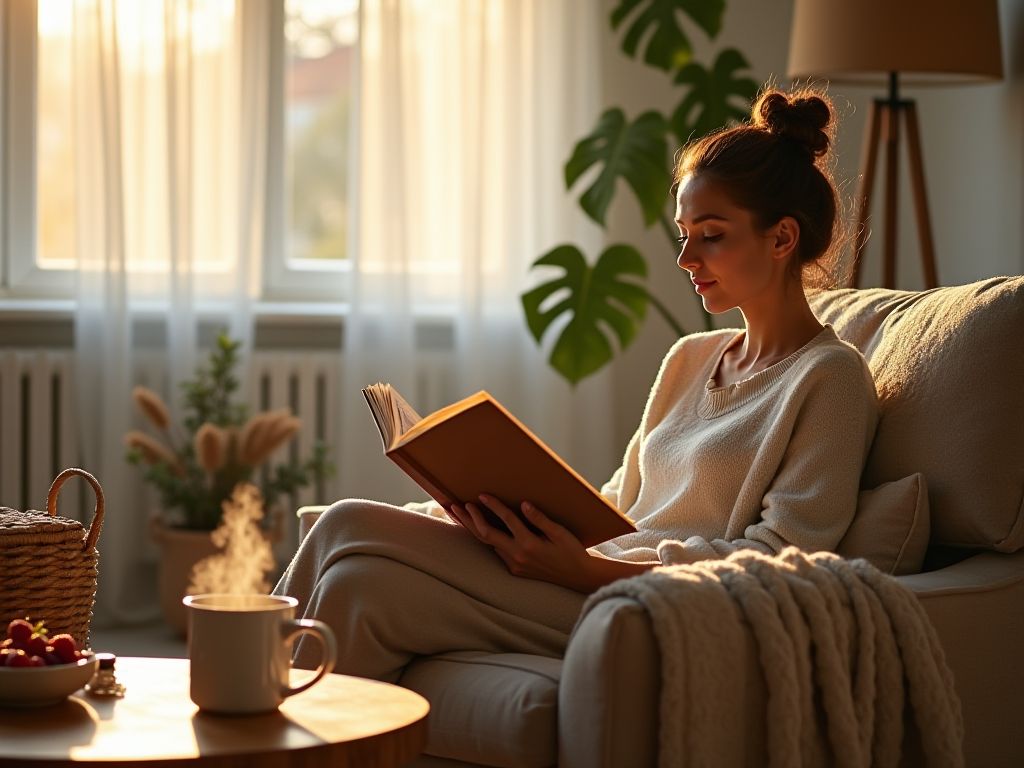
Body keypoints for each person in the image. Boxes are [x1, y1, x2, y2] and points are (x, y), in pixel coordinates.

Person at [273, 87, 879, 680]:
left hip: (635, 602)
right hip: (578, 572)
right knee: (358, 588)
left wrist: (582, 572)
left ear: (781, 238)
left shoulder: (830, 378)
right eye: (684, 233)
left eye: (712, 235)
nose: (686, 258)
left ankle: (241, 710)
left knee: (347, 522)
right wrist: (501, 515)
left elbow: (783, 565)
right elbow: (619, 502)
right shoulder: (690, 359)